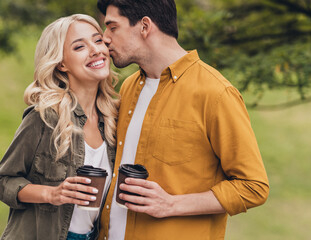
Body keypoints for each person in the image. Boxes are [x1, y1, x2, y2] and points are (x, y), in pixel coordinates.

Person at [96, 0, 270, 239]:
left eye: (112, 27)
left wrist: (171, 204)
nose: (105, 38)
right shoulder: (128, 88)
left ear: (144, 26)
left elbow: (253, 186)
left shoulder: (216, 93)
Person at [0, 14, 119, 240]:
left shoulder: (112, 119)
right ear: (61, 63)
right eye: (79, 46)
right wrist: (53, 194)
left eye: (98, 40)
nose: (96, 50)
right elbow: (3, 181)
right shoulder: (45, 117)